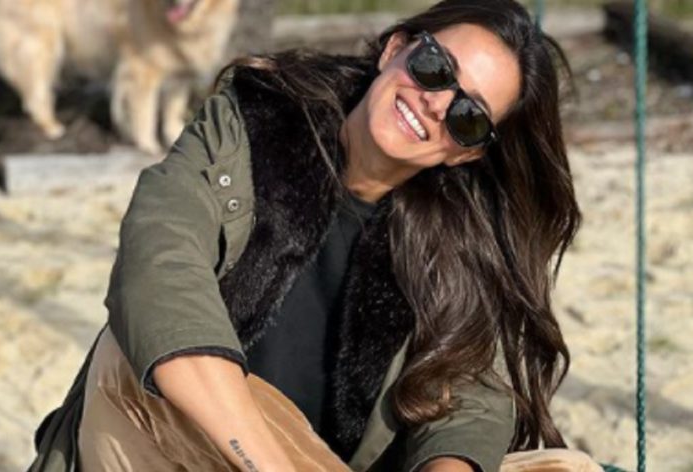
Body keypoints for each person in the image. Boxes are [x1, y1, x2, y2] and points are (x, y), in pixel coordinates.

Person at [29, 0, 604, 471]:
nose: (435, 104)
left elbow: (468, 393)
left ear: (467, 153)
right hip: (187, 444)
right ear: (396, 49)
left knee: (568, 469)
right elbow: (159, 266)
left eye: (468, 116)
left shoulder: (454, 240)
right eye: (435, 67)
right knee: (134, 359)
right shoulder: (250, 125)